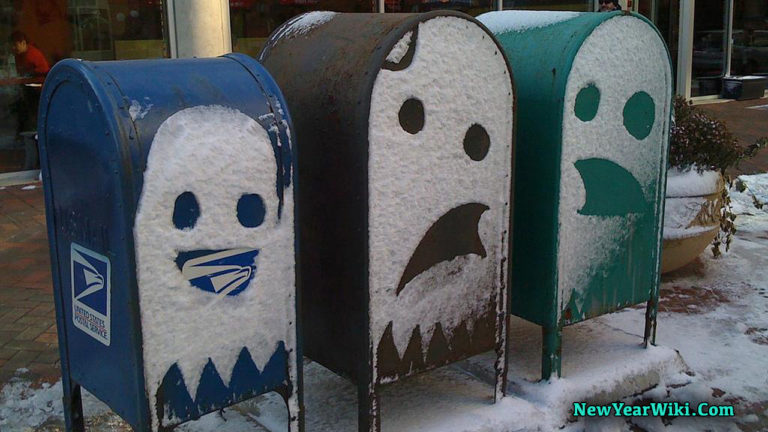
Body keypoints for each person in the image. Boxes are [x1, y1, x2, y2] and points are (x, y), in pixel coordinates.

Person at [9, 31, 50, 169]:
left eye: (15, 45)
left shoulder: (33, 54)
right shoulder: (18, 56)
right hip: (27, 90)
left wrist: (30, 75)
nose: (13, 48)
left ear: (23, 43)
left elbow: (44, 71)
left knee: (34, 117)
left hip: (37, 91)